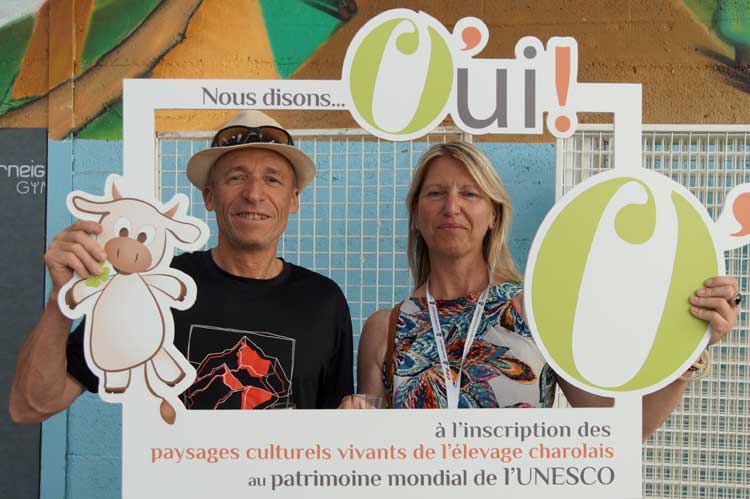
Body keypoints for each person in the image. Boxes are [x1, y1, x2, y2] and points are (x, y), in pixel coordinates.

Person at [352, 141, 739, 439]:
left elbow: (619, 432)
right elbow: (367, 451)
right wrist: (346, 426)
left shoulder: (535, 309)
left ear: (493, 215)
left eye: (469, 194)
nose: (451, 207)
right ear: (416, 216)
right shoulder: (385, 328)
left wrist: (690, 348)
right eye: (436, 193)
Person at [9, 112, 353, 420]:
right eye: (236, 178)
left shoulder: (323, 301)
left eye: (273, 180)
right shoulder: (151, 285)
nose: (254, 194)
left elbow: (339, 434)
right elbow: (30, 406)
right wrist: (61, 298)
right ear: (209, 196)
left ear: (293, 199)